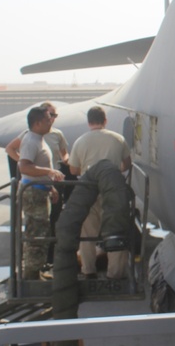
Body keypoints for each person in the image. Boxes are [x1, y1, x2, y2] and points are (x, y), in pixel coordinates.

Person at [69, 106, 132, 279]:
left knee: (87, 233)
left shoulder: (80, 141)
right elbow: (126, 164)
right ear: (105, 121)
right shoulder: (118, 139)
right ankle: (116, 273)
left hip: (88, 191)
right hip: (112, 191)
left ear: (89, 121)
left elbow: (74, 170)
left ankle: (89, 270)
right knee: (116, 230)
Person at [18, 106, 65, 280]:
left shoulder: (39, 139)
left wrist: (50, 187)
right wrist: (51, 172)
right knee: (35, 235)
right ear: (37, 123)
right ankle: (31, 275)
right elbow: (24, 166)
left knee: (42, 233)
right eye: (47, 119)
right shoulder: (31, 140)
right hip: (34, 193)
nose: (51, 121)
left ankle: (36, 270)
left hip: (40, 191)